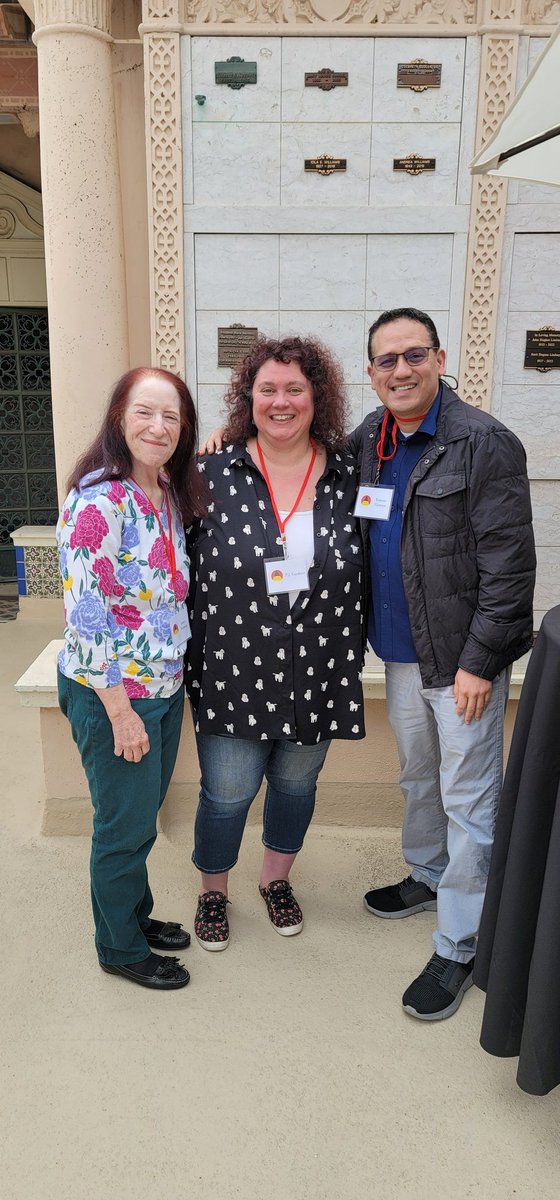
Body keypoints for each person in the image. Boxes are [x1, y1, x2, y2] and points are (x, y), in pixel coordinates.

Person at [349, 307, 535, 1021]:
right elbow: (297, 453)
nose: (400, 369)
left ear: (439, 357)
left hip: (463, 666)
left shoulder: (483, 443)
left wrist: (482, 663)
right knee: (417, 777)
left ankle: (461, 942)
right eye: (386, 359)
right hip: (401, 655)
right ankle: (428, 873)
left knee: (469, 798)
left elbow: (510, 567)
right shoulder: (371, 438)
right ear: (371, 372)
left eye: (413, 355)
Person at [185, 336, 365, 951]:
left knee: (295, 788)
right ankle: (213, 891)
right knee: (227, 793)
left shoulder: (349, 472)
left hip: (317, 667)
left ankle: (275, 880)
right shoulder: (209, 471)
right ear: (247, 397)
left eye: (295, 389)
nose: (281, 402)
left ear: (318, 398)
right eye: (268, 389)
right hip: (232, 668)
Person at [57, 366, 206, 990]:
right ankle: (118, 948)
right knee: (122, 828)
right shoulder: (100, 500)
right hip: (116, 695)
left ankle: (134, 917)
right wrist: (119, 711)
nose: (158, 426)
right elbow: (88, 623)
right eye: (145, 412)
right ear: (119, 417)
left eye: (171, 416)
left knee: (141, 816)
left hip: (162, 685)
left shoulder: (166, 487)